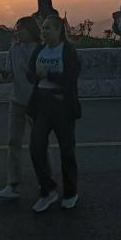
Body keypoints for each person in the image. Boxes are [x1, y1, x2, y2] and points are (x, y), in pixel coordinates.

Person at [27, 14, 82, 213]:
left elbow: (71, 78)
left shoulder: (68, 51)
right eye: (43, 28)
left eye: (48, 28)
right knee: (36, 148)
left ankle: (70, 192)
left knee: (67, 150)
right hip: (42, 104)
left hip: (62, 105)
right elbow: (30, 73)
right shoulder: (40, 50)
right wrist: (37, 75)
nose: (44, 31)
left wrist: (48, 75)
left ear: (59, 30)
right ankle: (48, 189)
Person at [0, 16, 42, 200]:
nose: (19, 32)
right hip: (17, 100)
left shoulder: (40, 49)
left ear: (31, 31)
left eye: (22, 29)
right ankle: (12, 184)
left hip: (36, 101)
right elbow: (10, 74)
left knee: (39, 143)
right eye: (18, 28)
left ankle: (45, 180)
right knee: (13, 142)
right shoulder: (13, 49)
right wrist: (3, 74)